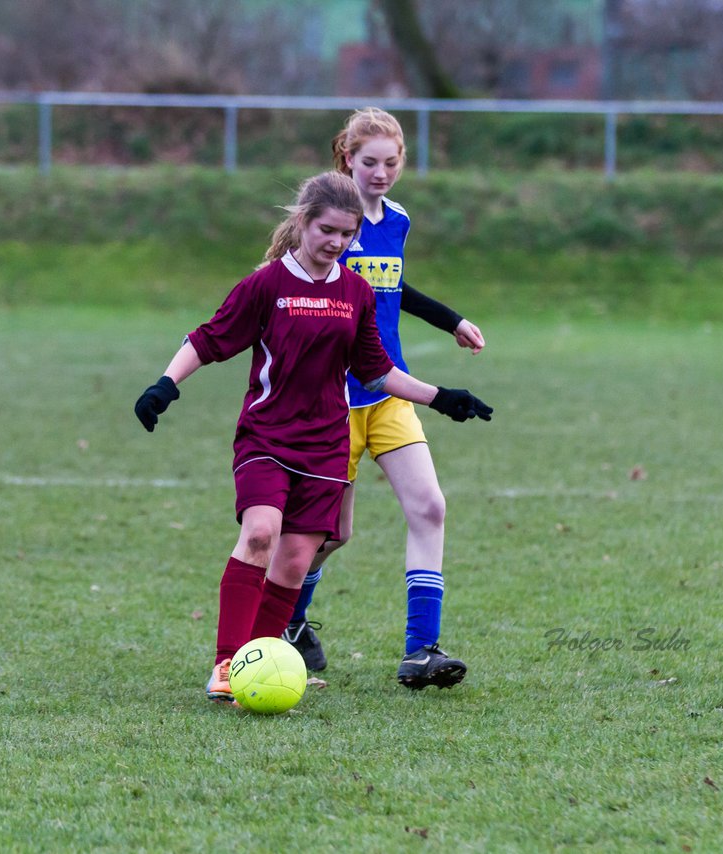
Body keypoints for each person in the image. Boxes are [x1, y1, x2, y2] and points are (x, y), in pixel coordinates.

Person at [133, 171, 492, 704]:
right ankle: (226, 664)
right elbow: (210, 338)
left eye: (346, 235)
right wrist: (166, 384)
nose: (336, 243)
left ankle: (259, 660)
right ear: (302, 221)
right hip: (268, 435)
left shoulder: (355, 292)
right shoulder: (267, 285)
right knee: (260, 534)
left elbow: (375, 369)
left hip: (326, 442)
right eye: (327, 230)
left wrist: (440, 396)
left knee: (298, 559)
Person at [281, 107, 487, 691]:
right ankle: (290, 620)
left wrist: (453, 320)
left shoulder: (396, 220)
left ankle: (422, 649)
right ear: (346, 158)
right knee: (325, 535)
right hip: (331, 402)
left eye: (391, 162)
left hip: (390, 395)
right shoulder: (329, 225)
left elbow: (392, 285)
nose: (380, 172)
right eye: (369, 161)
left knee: (430, 507)